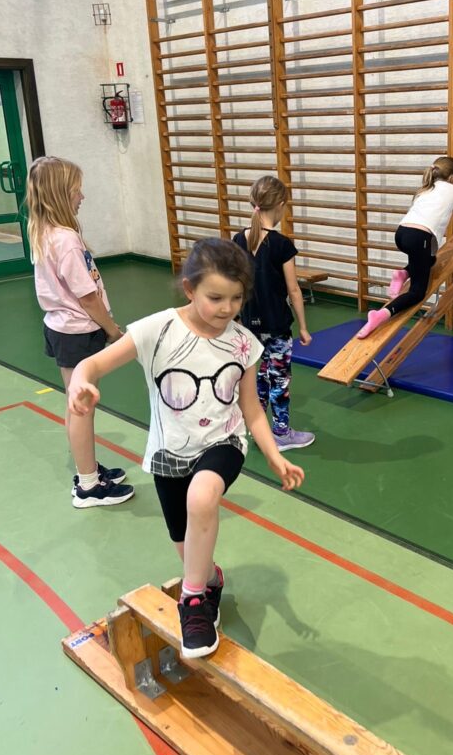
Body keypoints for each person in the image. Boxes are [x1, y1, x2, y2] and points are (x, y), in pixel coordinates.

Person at [66, 238, 305, 659]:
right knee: (188, 547)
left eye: (236, 298)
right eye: (216, 297)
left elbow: (251, 409)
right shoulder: (156, 330)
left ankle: (192, 602)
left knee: (202, 496)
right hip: (169, 452)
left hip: (224, 442)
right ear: (190, 288)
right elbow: (94, 363)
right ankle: (209, 581)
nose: (227, 308)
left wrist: (273, 454)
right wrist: (81, 382)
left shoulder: (244, 343)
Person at [26, 156, 134, 507]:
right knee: (82, 407)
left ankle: (88, 469)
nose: (82, 197)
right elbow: (87, 297)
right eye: (76, 190)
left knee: (77, 405)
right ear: (61, 195)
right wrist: (113, 330)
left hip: (62, 328)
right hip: (77, 332)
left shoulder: (43, 231)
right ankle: (89, 486)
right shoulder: (65, 239)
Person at [232, 176, 315, 451]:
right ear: (280, 205)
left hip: (248, 326)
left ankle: (255, 428)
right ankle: (280, 433)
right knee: (278, 379)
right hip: (277, 327)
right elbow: (294, 290)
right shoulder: (281, 244)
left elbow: (235, 283)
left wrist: (235, 319)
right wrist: (303, 327)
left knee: (258, 377)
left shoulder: (239, 239)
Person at [357, 156, 453, 338]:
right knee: (417, 293)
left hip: (401, 234)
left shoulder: (426, 188)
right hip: (419, 238)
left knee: (430, 259)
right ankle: (380, 315)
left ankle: (403, 274)